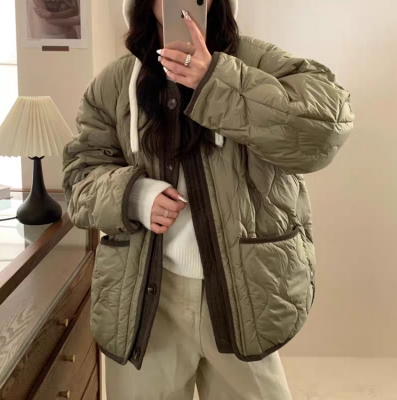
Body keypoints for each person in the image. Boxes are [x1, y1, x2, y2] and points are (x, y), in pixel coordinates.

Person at [63, 0, 354, 398]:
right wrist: (134, 197)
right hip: (144, 297)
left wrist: (217, 81)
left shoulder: (256, 61)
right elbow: (80, 176)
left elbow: (326, 129)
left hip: (245, 290)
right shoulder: (114, 83)